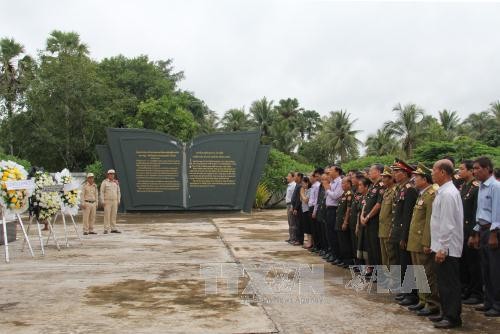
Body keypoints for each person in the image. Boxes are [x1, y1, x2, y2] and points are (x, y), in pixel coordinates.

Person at [430, 159, 464, 329]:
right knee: (443, 283)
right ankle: (446, 312)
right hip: (441, 246)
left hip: (447, 248)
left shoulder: (449, 193)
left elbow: (448, 224)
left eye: (434, 170)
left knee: (450, 283)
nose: (431, 172)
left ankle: (452, 317)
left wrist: (442, 248)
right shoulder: (443, 192)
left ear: (443, 172)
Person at [406, 163, 439, 317]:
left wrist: (427, 241)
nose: (414, 179)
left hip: (422, 240)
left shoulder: (431, 194)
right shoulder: (422, 194)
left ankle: (432, 303)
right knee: (419, 271)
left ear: (425, 179)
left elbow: (429, 221)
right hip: (415, 239)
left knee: (427, 273)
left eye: (417, 177)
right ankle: (422, 299)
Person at [469, 156, 500, 317]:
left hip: (493, 231)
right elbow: (480, 212)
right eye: (473, 168)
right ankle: (488, 301)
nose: (475, 171)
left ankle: (497, 304)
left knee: (495, 270)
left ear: (488, 168)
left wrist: (494, 234)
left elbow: (497, 212)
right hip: (482, 229)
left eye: (477, 168)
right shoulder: (481, 186)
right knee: (485, 269)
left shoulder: (495, 186)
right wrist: (475, 233)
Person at [389, 158, 419, 306]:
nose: (395, 174)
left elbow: (408, 215)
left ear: (406, 173)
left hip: (403, 232)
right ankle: (404, 290)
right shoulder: (401, 188)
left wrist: (404, 235)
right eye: (394, 171)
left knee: (407, 264)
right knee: (401, 263)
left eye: (397, 171)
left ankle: (411, 294)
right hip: (397, 230)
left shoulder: (410, 189)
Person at [458, 160, 483, 305]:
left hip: (471, 231)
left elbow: (475, 213)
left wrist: (475, 234)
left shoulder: (476, 188)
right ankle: (467, 289)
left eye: (462, 169)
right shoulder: (464, 186)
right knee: (465, 263)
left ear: (470, 171)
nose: (459, 171)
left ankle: (476, 293)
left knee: (474, 264)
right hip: (462, 230)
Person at [360, 164, 384, 270]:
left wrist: (368, 216)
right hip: (367, 220)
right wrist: (362, 215)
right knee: (370, 247)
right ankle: (372, 270)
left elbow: (378, 204)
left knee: (375, 248)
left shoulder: (381, 185)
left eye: (371, 171)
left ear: (378, 172)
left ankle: (378, 272)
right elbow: (366, 202)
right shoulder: (372, 186)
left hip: (374, 221)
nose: (369, 173)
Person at [379, 166, 398, 267]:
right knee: (384, 256)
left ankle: (393, 281)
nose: (382, 179)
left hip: (389, 229)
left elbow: (394, 213)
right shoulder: (386, 191)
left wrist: (392, 229)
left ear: (391, 178)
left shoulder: (395, 191)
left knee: (391, 256)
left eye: (385, 177)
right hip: (382, 229)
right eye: (382, 177)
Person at [324, 166, 343, 263]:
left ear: (337, 172)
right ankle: (333, 253)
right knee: (329, 233)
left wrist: (327, 189)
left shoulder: (340, 182)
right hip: (329, 209)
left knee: (333, 234)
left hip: (334, 209)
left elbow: (336, 196)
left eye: (331, 170)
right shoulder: (332, 182)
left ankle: (337, 256)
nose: (329, 172)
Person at [335, 177, 353, 267]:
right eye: (341, 183)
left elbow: (348, 209)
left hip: (343, 222)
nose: (342, 185)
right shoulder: (344, 194)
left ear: (349, 184)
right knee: (341, 242)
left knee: (345, 242)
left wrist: (345, 222)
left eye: (344, 183)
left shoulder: (350, 194)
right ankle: (344, 259)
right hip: (339, 221)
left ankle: (348, 261)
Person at [100, 169, 122, 234]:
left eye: (113, 174)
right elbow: (102, 192)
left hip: (115, 201)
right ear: (108, 175)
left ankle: (113, 228)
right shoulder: (104, 182)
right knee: (107, 215)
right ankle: (106, 229)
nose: (112, 175)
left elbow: (118, 192)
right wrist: (102, 200)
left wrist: (118, 200)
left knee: (114, 215)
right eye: (110, 174)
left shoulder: (116, 183)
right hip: (107, 201)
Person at [356, 177, 372, 268]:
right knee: (361, 245)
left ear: (366, 187)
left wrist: (363, 218)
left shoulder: (369, 196)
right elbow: (359, 211)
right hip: (361, 223)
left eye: (361, 185)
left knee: (367, 246)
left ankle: (369, 268)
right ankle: (366, 266)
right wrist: (357, 225)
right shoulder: (362, 197)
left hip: (367, 224)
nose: (359, 187)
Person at [309, 168, 323, 252]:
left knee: (316, 229)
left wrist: (314, 211)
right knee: (313, 228)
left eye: (311, 176)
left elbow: (317, 200)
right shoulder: (313, 186)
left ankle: (318, 246)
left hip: (315, 208)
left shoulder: (317, 186)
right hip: (311, 207)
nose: (309, 178)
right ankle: (315, 245)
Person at [291, 173, 304, 245]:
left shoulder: (300, 186)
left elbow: (299, 199)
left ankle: (299, 240)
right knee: (296, 224)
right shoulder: (297, 185)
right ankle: (296, 239)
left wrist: (296, 208)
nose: (294, 177)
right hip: (295, 207)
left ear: (299, 177)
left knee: (299, 224)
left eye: (295, 176)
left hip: (299, 208)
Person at [300, 176, 313, 248]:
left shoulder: (310, 190)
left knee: (309, 228)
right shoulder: (305, 190)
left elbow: (306, 200)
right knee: (306, 228)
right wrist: (302, 193)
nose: (302, 185)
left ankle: (310, 243)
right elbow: (301, 199)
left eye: (303, 183)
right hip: (304, 210)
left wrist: (301, 193)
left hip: (308, 210)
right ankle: (308, 242)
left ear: (307, 183)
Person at [285, 172, 296, 244]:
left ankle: (293, 238)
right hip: (288, 205)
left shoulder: (293, 185)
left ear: (292, 177)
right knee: (290, 222)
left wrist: (292, 206)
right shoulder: (289, 185)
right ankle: (291, 237)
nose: (287, 177)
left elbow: (293, 197)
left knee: (292, 222)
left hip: (291, 205)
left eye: (288, 176)